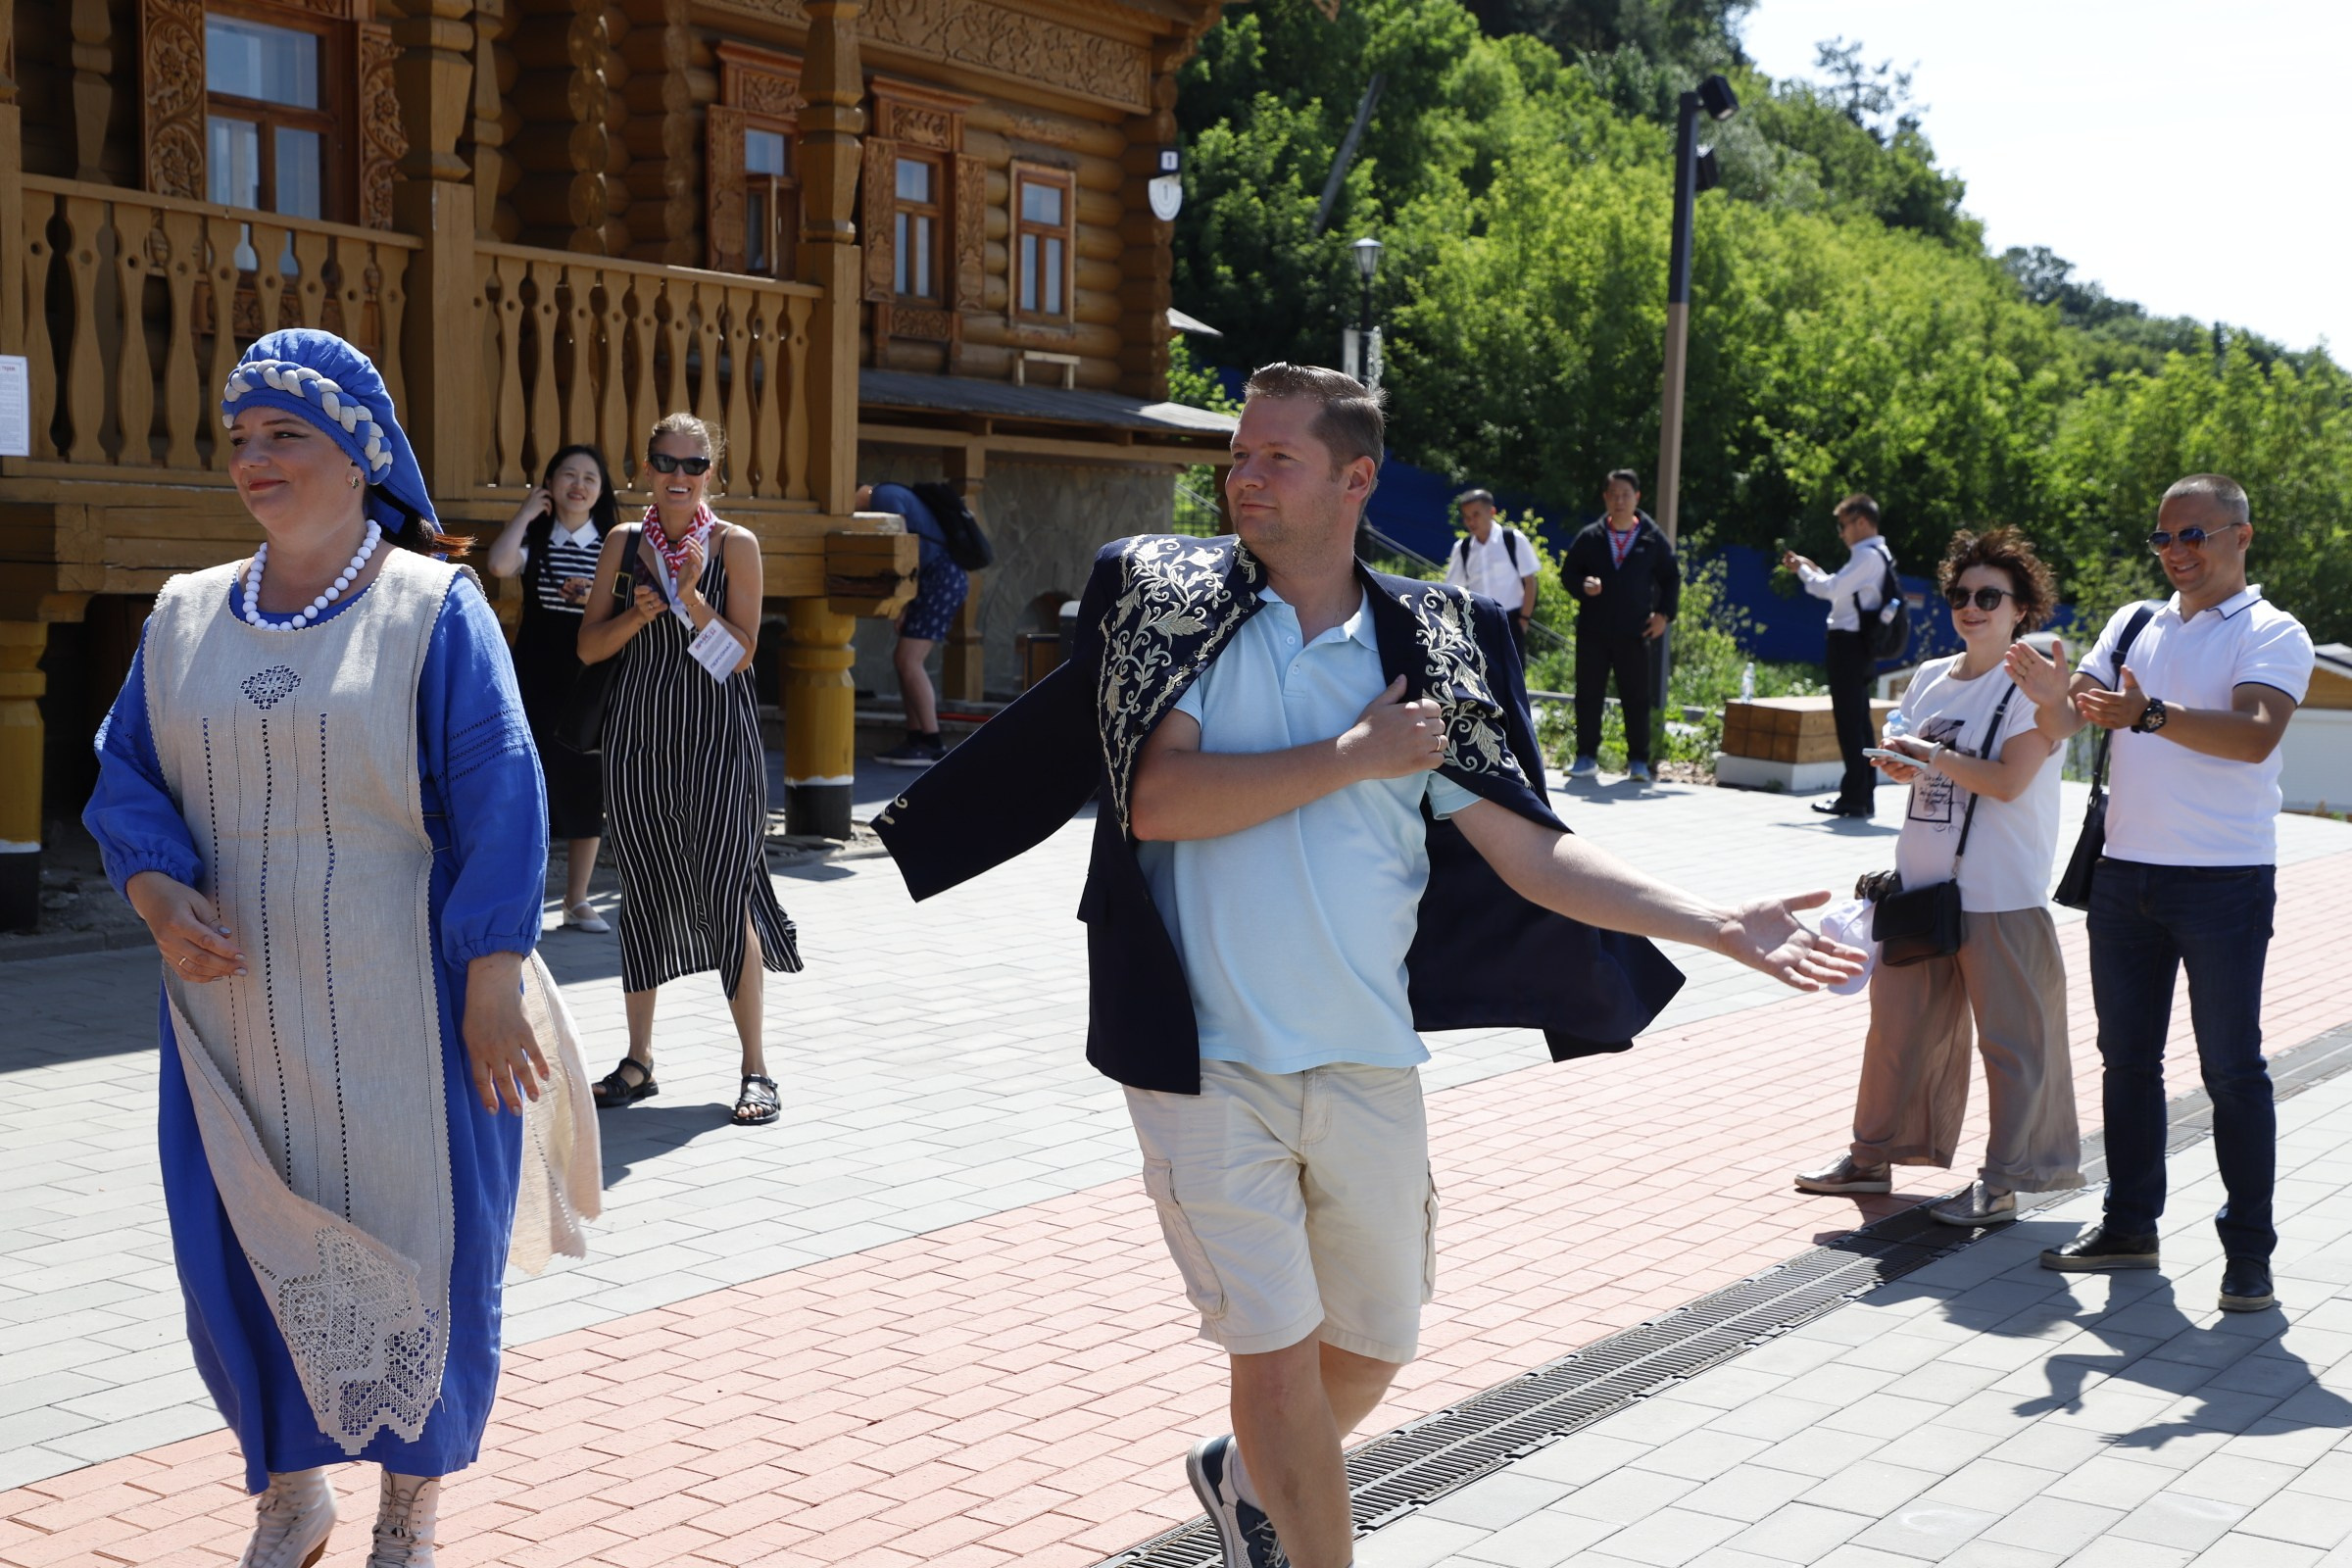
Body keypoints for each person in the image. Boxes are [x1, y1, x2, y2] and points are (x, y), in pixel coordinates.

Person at [871, 364, 1863, 1568]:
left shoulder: (1430, 644)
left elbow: (1530, 847)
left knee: (1378, 1342)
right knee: (1275, 1360)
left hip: (1366, 1055)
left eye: (1275, 458)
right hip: (1201, 1062)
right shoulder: (1172, 610)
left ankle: (1244, 1480)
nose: (1243, 478)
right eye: (1238, 456)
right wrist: (1350, 754)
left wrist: (1711, 920)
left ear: (1356, 480)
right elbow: (1155, 798)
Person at [81, 328, 601, 1568]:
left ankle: (410, 1512)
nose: (253, 459)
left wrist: (492, 980)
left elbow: (502, 794)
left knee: (420, 1247)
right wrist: (153, 889)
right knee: (238, 1246)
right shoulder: (185, 614)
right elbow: (126, 771)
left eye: (285, 434)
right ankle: (291, 1495)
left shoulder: (433, 611)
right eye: (240, 438)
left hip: (407, 1013)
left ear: (361, 453)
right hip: (231, 1015)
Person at [2025, 474, 2313, 1314]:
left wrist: (2151, 717)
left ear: (2241, 536)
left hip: (2224, 881)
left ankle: (2248, 1257)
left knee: (2232, 1069)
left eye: (2194, 535)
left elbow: (2255, 737)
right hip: (2124, 876)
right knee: (2127, 1062)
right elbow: (2069, 721)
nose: (2176, 551)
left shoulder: (2272, 630)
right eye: (2163, 537)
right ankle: (2129, 1226)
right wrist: (2050, 701)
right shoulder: (2133, 622)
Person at [1794, 528, 2080, 1225]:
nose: (1971, 608)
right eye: (1960, 595)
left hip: (1999, 894)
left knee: (2010, 1046)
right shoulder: (1929, 676)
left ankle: (2003, 1183)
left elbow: (2008, 782)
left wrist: (1930, 756)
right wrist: (1902, 763)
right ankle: (1869, 1159)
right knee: (1894, 1033)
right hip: (1920, 889)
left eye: (1990, 597)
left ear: (2021, 608)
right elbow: (1923, 771)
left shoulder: (2032, 684)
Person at [577, 413, 805, 1128]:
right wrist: (641, 614)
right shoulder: (623, 542)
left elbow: (740, 655)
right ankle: (638, 1060)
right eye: (667, 462)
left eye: (694, 464)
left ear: (711, 471)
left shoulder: (735, 545)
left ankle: (756, 1069)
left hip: (720, 744)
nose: (679, 476)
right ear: (647, 468)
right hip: (639, 740)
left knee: (728, 892)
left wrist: (694, 597)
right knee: (643, 890)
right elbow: (589, 648)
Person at [487, 444, 618, 932]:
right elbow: (499, 565)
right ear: (550, 484)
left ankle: (577, 900)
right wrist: (525, 513)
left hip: (591, 675)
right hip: (535, 674)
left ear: (601, 490)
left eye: (590, 477)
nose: (578, 485)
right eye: (568, 475)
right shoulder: (537, 540)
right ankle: (526, 901)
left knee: (586, 782)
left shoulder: (614, 544)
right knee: (529, 783)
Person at [1560, 469, 1678, 783]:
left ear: (1637, 497)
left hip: (1635, 631)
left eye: (1625, 495)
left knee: (1636, 697)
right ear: (1605, 498)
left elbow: (1671, 576)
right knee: (1588, 694)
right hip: (1593, 631)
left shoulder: (1651, 538)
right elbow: (1568, 574)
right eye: (1613, 495)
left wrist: (1663, 615)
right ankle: (1586, 757)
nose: (1619, 500)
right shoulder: (1591, 536)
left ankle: (1638, 761)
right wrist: (1583, 585)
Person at [1785, 494, 1897, 817]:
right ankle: (1861, 796)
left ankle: (1854, 797)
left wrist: (1804, 572)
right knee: (1857, 721)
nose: (1841, 533)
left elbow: (1831, 589)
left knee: (1850, 723)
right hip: (1856, 645)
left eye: (1843, 525)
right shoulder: (1875, 555)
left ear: (1861, 522)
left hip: (1849, 646)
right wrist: (1810, 568)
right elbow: (1840, 589)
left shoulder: (1867, 556)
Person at [858, 480, 971, 766]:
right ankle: (916, 738)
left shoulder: (883, 497)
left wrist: (903, 603)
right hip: (933, 579)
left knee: (909, 660)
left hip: (940, 578)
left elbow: (902, 550)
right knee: (903, 660)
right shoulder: (890, 493)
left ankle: (932, 742)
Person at [1439, 488, 1539, 657]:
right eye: (1466, 517)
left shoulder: (1513, 539)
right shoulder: (1462, 549)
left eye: (1476, 515)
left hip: (1511, 621)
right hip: (1476, 623)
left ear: (1491, 512)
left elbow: (1530, 581)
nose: (1471, 522)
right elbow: (1453, 590)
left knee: (1512, 672)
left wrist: (1524, 620)